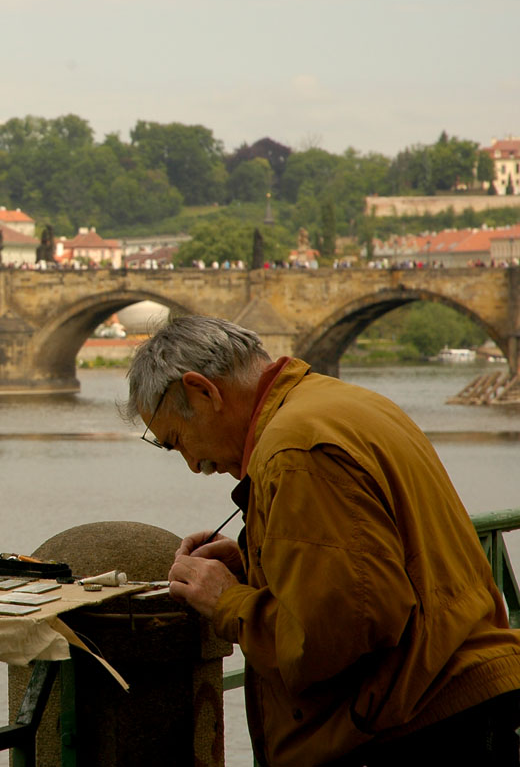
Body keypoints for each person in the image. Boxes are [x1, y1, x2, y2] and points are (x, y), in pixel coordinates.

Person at [125, 315, 520, 766]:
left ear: (203, 391)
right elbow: (372, 567)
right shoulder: (339, 402)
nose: (195, 465)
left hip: (410, 732)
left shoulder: (294, 452)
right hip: (460, 703)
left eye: (177, 441)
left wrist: (228, 602)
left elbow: (334, 641)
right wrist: (259, 564)